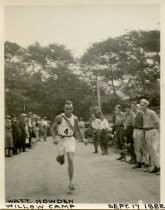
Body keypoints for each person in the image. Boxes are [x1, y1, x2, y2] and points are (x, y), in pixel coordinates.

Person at [51, 100, 87, 191]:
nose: (68, 111)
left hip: (70, 139)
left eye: (70, 109)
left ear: (72, 109)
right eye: (67, 109)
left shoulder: (75, 118)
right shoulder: (59, 117)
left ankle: (71, 182)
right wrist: (54, 138)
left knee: (70, 159)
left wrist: (83, 138)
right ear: (64, 108)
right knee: (62, 161)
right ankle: (59, 157)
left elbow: (78, 129)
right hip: (61, 140)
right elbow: (53, 128)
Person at [140, 99, 160, 175]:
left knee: (154, 150)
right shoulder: (143, 114)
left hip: (153, 131)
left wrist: (159, 133)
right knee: (150, 150)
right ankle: (155, 166)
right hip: (147, 131)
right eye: (141, 106)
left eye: (143, 105)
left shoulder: (151, 112)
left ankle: (160, 167)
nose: (141, 107)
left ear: (146, 105)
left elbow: (158, 122)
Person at [131, 102, 149, 169]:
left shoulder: (141, 113)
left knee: (143, 147)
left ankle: (147, 163)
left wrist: (144, 131)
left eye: (133, 106)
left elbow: (144, 122)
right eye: (132, 106)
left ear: (136, 106)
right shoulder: (133, 114)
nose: (132, 108)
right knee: (136, 147)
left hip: (141, 130)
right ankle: (138, 162)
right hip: (135, 130)